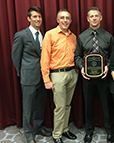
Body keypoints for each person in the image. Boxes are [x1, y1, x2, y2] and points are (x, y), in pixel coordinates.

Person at [74, 7, 114, 143]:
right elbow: (78, 56)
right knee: (88, 105)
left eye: (96, 16)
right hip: (87, 78)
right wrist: (81, 69)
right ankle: (89, 131)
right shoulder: (82, 37)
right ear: (87, 19)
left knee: (107, 104)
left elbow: (112, 56)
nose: (94, 18)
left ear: (101, 18)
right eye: (91, 16)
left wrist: (108, 67)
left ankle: (110, 131)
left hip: (104, 77)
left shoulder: (108, 36)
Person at [11, 6, 51, 143]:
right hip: (28, 77)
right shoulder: (21, 35)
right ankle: (28, 132)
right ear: (28, 18)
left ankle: (38, 126)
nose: (38, 19)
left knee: (40, 104)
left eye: (39, 16)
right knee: (28, 107)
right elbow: (15, 57)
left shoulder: (44, 35)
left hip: (43, 77)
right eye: (34, 16)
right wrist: (22, 73)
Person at [40, 9, 78, 143]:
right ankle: (56, 135)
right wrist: (46, 79)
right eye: (62, 18)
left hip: (72, 73)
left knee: (67, 105)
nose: (65, 20)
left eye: (67, 18)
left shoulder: (73, 36)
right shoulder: (50, 35)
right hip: (57, 75)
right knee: (60, 107)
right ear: (57, 20)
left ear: (71, 20)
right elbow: (44, 58)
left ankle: (65, 129)